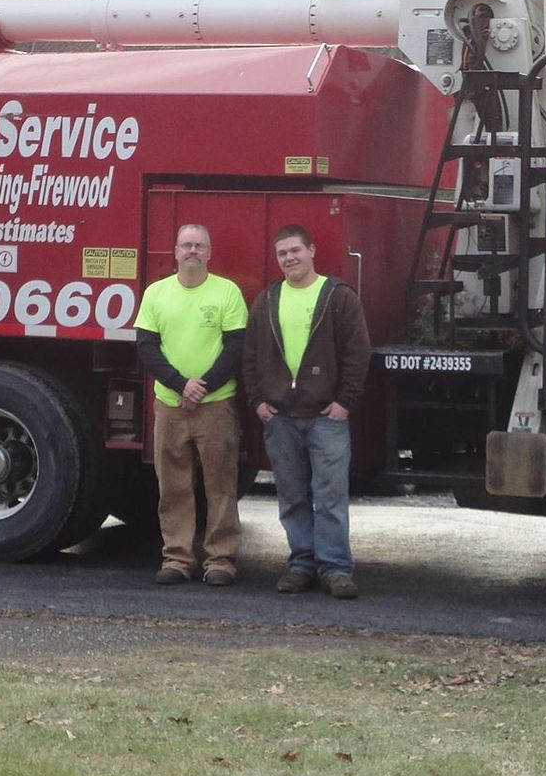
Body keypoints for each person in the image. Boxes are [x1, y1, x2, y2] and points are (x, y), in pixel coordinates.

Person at [243, 224, 371, 599]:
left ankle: (335, 569)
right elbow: (249, 355)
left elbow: (357, 353)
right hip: (280, 418)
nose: (290, 258)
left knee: (330, 496)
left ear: (312, 251)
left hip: (326, 418)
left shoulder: (339, 297)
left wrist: (345, 401)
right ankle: (301, 564)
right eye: (282, 253)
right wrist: (257, 401)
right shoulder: (267, 300)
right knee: (292, 495)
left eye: (296, 250)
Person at [134, 223, 248, 586]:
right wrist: (181, 385)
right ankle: (177, 559)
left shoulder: (227, 292)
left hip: (216, 404)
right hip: (169, 404)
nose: (193, 251)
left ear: (210, 253)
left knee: (221, 485)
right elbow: (147, 347)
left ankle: (220, 561)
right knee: (173, 486)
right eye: (187, 245)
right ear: (176, 251)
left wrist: (202, 387)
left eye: (200, 245)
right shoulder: (156, 293)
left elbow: (235, 347)